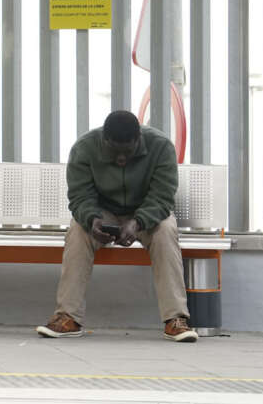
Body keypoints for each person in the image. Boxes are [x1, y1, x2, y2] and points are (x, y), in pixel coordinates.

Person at [36, 110, 198, 342]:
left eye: (127, 152)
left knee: (165, 231)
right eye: (115, 151)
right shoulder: (84, 148)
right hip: (103, 215)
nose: (121, 159)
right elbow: (80, 197)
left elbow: (162, 198)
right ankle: (67, 317)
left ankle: (175, 319)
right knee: (77, 231)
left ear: (138, 140)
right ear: (104, 141)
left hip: (146, 214)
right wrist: (92, 220)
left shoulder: (161, 147)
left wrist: (138, 222)